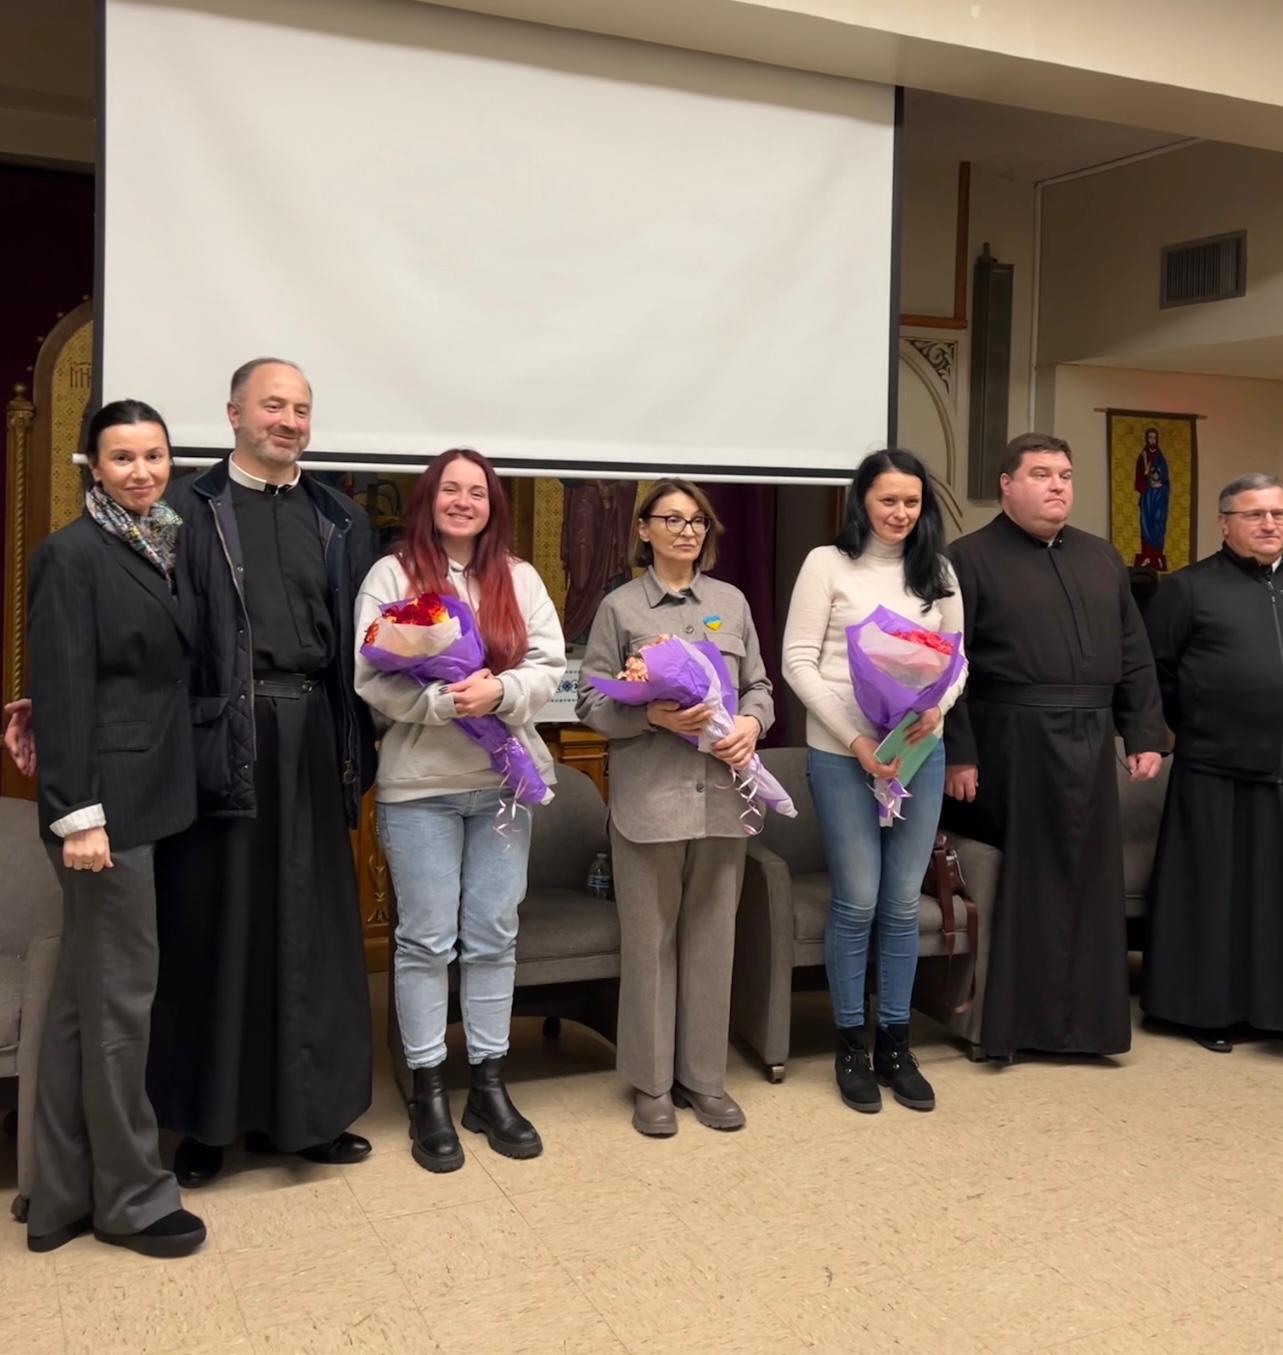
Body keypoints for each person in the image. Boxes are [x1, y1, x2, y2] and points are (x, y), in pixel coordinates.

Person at [148, 358, 377, 1185]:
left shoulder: (341, 517)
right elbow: (151, 635)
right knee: (215, 928)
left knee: (310, 929)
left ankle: (308, 1118)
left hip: (314, 732)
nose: (289, 421)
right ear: (234, 414)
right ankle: (206, 1125)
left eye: (301, 409)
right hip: (220, 734)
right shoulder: (183, 509)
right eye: (273, 405)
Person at [25, 400, 205, 1257]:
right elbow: (63, 689)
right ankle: (131, 1199)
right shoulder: (72, 554)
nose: (142, 471)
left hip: (150, 790)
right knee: (121, 1005)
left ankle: (58, 1193)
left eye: (154, 455)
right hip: (103, 812)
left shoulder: (159, 542)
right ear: (91, 465)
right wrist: (77, 814)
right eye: (123, 457)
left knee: (80, 1003)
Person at [354, 449, 565, 1170]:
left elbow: (548, 664)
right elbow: (369, 676)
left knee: (493, 936)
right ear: (429, 498)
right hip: (421, 789)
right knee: (424, 941)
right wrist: (444, 702)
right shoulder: (392, 575)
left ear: (492, 504)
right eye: (451, 488)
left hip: (503, 786)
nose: (464, 501)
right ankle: (428, 1091)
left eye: (477, 491)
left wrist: (501, 692)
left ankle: (488, 1085)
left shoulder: (520, 577)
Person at [943, 432, 1167, 1059]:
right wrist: (960, 752)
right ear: (1006, 486)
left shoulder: (1102, 556)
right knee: (1028, 883)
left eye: (1064, 475)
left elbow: (1134, 653)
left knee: (1090, 884)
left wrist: (1144, 733)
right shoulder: (966, 558)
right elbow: (947, 666)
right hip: (1009, 743)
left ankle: (1089, 1028)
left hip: (1092, 741)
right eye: (1041, 474)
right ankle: (1015, 1028)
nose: (1057, 486)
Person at [577, 478, 773, 1137]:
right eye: (672, 519)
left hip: (723, 798)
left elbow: (760, 687)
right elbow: (591, 703)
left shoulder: (731, 602)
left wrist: (751, 722)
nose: (686, 531)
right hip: (649, 800)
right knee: (649, 945)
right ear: (644, 529)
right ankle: (652, 1083)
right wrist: (651, 716)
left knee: (714, 942)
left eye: (697, 521)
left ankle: (705, 1079)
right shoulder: (620, 608)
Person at [782, 450, 966, 1113]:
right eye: (888, 500)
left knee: (901, 904)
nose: (900, 512)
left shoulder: (937, 570)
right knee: (857, 899)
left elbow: (957, 659)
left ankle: (894, 1042)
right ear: (862, 501)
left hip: (917, 754)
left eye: (911, 501)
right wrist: (856, 740)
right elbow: (797, 660)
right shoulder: (825, 563)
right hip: (841, 753)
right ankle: (850, 1044)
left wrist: (937, 710)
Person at [1142, 474, 1283, 1052]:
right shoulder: (1188, 588)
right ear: (1224, 523)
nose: (1269, 524)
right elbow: (1155, 672)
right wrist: (1196, 724)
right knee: (1213, 896)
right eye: (1254, 514)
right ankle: (1207, 1013)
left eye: (1277, 514)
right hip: (1213, 764)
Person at [1133, 427, 1171, 572]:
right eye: (1150, 438)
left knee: (1158, 525)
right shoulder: (1142, 457)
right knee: (1145, 525)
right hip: (1147, 496)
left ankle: (1157, 556)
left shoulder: (1161, 458)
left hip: (1159, 498)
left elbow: (1165, 479)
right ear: (1146, 439)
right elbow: (1138, 479)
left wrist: (1159, 482)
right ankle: (1147, 556)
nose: (1152, 440)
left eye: (1154, 438)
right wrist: (1145, 474)